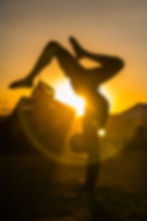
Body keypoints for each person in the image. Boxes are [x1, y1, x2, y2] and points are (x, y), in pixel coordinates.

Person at [9, 37, 124, 190]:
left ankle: (30, 78)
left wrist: (88, 185)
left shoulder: (89, 128)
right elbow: (94, 158)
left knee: (54, 46)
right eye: (76, 140)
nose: (75, 136)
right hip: (85, 83)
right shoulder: (90, 131)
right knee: (117, 64)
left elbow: (94, 157)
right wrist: (88, 185)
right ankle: (83, 53)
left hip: (84, 82)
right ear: (83, 144)